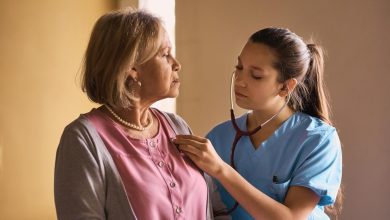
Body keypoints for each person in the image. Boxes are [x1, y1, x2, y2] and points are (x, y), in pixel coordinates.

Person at [54, 8, 212, 220]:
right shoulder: (82, 139)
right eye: (165, 54)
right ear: (132, 68)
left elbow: (214, 207)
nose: (177, 64)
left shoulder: (178, 126)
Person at [174, 27, 342, 219]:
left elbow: (292, 217)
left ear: (286, 87)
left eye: (256, 75)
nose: (240, 81)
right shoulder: (218, 138)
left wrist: (221, 170)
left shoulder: (318, 140)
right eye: (239, 67)